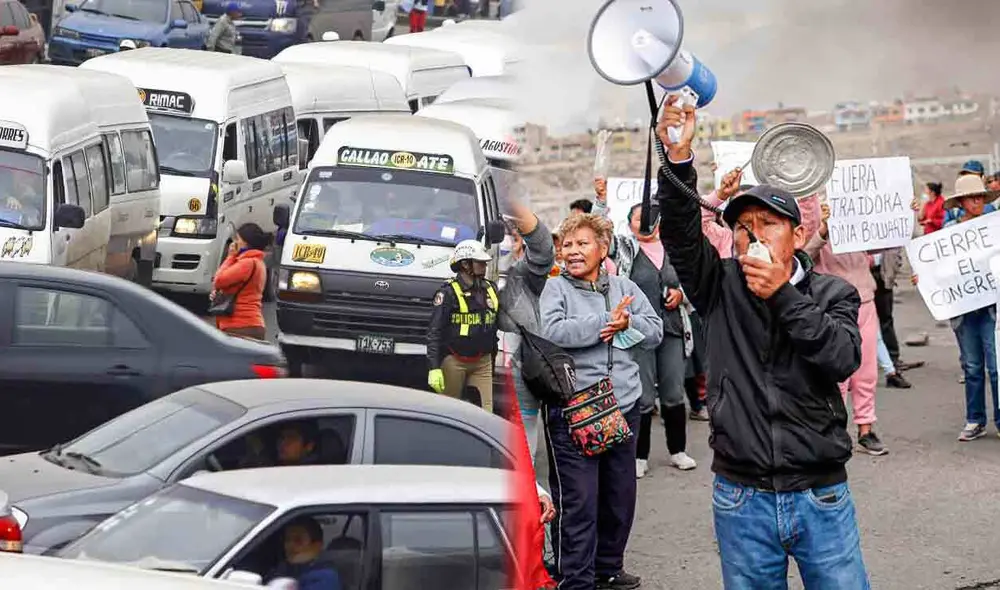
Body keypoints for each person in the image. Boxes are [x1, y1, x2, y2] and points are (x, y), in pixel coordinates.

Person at [656, 97, 870, 589]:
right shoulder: (719, 285)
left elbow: (840, 357)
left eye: (767, 224)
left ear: (797, 235)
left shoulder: (832, 292)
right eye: (742, 227)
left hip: (820, 493)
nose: (752, 236)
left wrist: (781, 295)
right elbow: (683, 237)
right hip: (741, 495)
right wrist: (679, 160)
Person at [539, 213, 662, 590]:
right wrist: (604, 321)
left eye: (582, 243)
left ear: (603, 249)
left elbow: (655, 331)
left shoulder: (625, 286)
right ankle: (574, 578)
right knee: (579, 502)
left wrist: (629, 324)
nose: (572, 251)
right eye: (567, 245)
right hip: (575, 410)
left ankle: (608, 568)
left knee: (618, 498)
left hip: (623, 406)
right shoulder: (554, 289)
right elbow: (551, 331)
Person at [591, 187, 697, 476]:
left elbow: (691, 279)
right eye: (640, 218)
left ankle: (678, 450)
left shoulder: (674, 249)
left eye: (652, 217)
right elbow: (598, 233)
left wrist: (680, 295)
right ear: (630, 224)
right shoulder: (625, 248)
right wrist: (601, 201)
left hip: (673, 329)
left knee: (674, 394)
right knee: (645, 397)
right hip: (637, 332)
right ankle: (640, 456)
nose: (647, 222)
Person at [804, 202, 888, 456]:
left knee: (866, 371)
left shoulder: (857, 209)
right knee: (836, 371)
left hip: (864, 299)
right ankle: (833, 428)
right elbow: (803, 255)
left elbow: (882, 243)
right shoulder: (810, 210)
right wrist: (823, 229)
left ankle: (865, 429)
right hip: (832, 304)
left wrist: (905, 214)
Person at [925, 175, 999, 441]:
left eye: (981, 196)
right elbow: (937, 269)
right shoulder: (950, 233)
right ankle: (975, 419)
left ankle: (999, 419)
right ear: (962, 202)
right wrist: (923, 277)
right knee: (972, 366)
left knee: (996, 366)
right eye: (972, 197)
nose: (978, 201)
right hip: (964, 310)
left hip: (992, 310)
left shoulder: (994, 228)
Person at [496, 199, 555, 461]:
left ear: (520, 246)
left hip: (522, 373)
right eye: (499, 240)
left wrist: (516, 207)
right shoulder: (466, 277)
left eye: (513, 239)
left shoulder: (524, 276)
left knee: (523, 431)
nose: (505, 246)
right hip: (479, 374)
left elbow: (543, 248)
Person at [427, 239, 500, 413]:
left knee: (486, 415)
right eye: (480, 262)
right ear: (465, 264)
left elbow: (495, 326)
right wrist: (434, 367)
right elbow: (434, 332)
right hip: (454, 361)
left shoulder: (491, 289)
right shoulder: (448, 293)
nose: (485, 266)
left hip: (483, 362)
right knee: (448, 414)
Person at [870, 248, 923, 376]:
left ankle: (893, 358)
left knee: (886, 318)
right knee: (860, 320)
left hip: (883, 272)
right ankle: (860, 362)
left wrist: (894, 265)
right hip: (862, 272)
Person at [212, 223, 268, 340]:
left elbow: (219, 280)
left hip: (239, 326)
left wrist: (230, 256)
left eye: (237, 239)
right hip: (249, 325)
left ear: (246, 243)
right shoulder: (257, 262)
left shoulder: (247, 263)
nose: (234, 243)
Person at [267, 516, 342, 590]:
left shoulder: (325, 577)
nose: (290, 545)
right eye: (287, 539)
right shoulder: (283, 568)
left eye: (298, 540)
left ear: (317, 545)